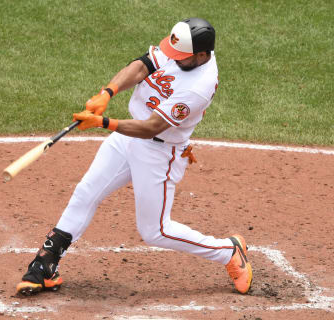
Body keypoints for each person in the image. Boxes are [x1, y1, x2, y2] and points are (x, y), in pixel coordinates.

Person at [16, 17, 252, 296]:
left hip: (159, 152)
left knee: (156, 231)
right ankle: (45, 266)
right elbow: (141, 66)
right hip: (127, 138)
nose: (172, 58)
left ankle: (228, 251)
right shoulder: (182, 49)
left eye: (181, 57)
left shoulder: (199, 86)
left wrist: (104, 123)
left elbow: (152, 126)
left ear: (201, 55)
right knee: (86, 192)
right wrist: (107, 92)